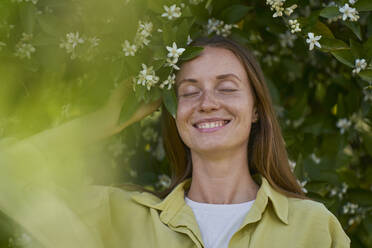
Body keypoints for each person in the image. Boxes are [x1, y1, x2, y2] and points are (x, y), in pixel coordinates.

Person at [0, 35, 350, 248]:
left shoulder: (312, 226)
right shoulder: (120, 217)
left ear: (256, 109)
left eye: (227, 88)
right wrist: (111, 117)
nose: (208, 102)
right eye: (188, 91)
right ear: (172, 111)